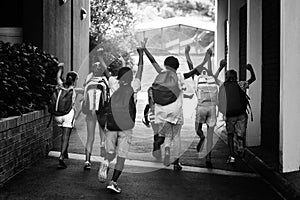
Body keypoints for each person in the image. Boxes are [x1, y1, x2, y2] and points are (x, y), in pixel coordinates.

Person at [143, 43, 210, 170]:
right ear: (177, 66)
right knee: (176, 136)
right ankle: (176, 162)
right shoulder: (180, 76)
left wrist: (145, 49)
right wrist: (207, 58)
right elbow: (195, 70)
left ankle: (167, 148)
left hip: (161, 112)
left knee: (167, 134)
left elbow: (153, 61)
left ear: (165, 65)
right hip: (175, 112)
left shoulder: (161, 72)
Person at [97, 46, 144, 194]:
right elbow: (140, 71)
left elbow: (105, 70)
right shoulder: (134, 86)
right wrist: (141, 54)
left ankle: (105, 162)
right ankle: (113, 182)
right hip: (126, 127)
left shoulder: (113, 83)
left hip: (111, 125)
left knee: (110, 152)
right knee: (121, 157)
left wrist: (100, 57)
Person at [185, 46, 224, 168]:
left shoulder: (196, 78)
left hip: (201, 107)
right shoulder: (212, 78)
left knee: (197, 128)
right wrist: (221, 65)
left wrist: (187, 53)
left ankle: (201, 136)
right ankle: (208, 157)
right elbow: (216, 71)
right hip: (212, 108)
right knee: (211, 134)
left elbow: (190, 67)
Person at [217, 63, 256, 164]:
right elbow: (253, 79)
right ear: (236, 77)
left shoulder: (223, 85)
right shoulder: (241, 84)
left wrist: (221, 67)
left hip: (230, 115)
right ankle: (240, 147)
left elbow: (213, 79)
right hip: (241, 114)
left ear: (226, 77)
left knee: (230, 135)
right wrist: (250, 69)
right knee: (240, 133)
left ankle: (232, 156)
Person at [54, 63, 83, 169]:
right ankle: (61, 157)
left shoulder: (60, 85)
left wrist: (60, 68)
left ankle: (64, 152)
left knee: (63, 134)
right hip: (68, 115)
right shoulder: (73, 90)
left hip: (57, 115)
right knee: (66, 137)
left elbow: (58, 76)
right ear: (74, 80)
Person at [82, 62, 109, 170]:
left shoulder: (88, 83)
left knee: (90, 137)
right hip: (102, 113)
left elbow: (84, 100)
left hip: (90, 114)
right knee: (104, 136)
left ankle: (87, 160)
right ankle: (102, 145)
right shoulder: (104, 82)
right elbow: (107, 98)